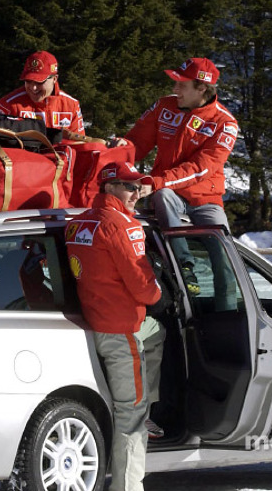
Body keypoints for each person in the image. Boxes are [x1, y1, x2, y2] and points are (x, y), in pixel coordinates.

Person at [66, 161, 162, 491]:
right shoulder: (124, 226)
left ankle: (151, 401)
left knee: (157, 334)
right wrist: (160, 292)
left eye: (138, 186)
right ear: (109, 187)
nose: (136, 193)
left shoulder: (77, 224)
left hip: (91, 324)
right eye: (129, 186)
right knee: (132, 416)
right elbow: (142, 285)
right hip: (122, 329)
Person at [123, 57, 239, 308]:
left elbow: (201, 169)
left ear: (202, 89)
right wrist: (119, 152)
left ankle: (228, 313)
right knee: (163, 196)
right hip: (167, 193)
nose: (174, 89)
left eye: (181, 85)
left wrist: (156, 182)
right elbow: (136, 142)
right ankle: (184, 266)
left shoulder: (225, 123)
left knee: (223, 254)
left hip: (204, 197)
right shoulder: (164, 106)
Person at [0, 50, 86, 136]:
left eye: (40, 82)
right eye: (28, 81)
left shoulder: (71, 105)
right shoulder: (7, 106)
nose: (33, 88)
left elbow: (79, 145)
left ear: (54, 79)